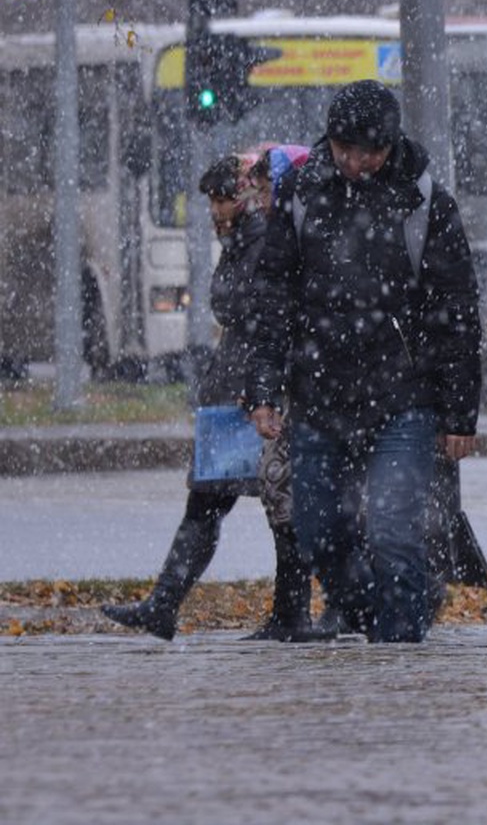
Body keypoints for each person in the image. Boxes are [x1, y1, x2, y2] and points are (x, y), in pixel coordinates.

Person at [244, 80, 482, 644]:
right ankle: (384, 617)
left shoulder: (423, 200)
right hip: (320, 392)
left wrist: (459, 414)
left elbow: (457, 310)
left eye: (369, 152)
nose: (355, 163)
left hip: (406, 396)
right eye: (345, 150)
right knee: (317, 529)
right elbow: (272, 295)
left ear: (391, 144)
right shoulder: (303, 193)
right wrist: (263, 387)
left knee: (394, 530)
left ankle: (398, 649)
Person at [103, 150, 316, 641]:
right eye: (213, 202)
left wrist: (261, 386)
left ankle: (294, 613)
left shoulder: (261, 238)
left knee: (277, 503)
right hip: (235, 389)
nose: (216, 211)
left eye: (224, 199)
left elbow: (246, 305)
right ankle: (165, 603)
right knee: (210, 501)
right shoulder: (244, 238)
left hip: (254, 392)